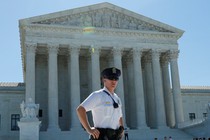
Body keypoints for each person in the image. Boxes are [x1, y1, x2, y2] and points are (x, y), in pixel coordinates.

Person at [76, 67, 124, 140]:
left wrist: (122, 129)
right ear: (104, 80)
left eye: (116, 79)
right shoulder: (98, 95)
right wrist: (89, 129)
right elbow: (80, 109)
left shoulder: (117, 98)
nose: (113, 81)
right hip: (101, 136)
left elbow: (119, 116)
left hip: (114, 137)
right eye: (111, 78)